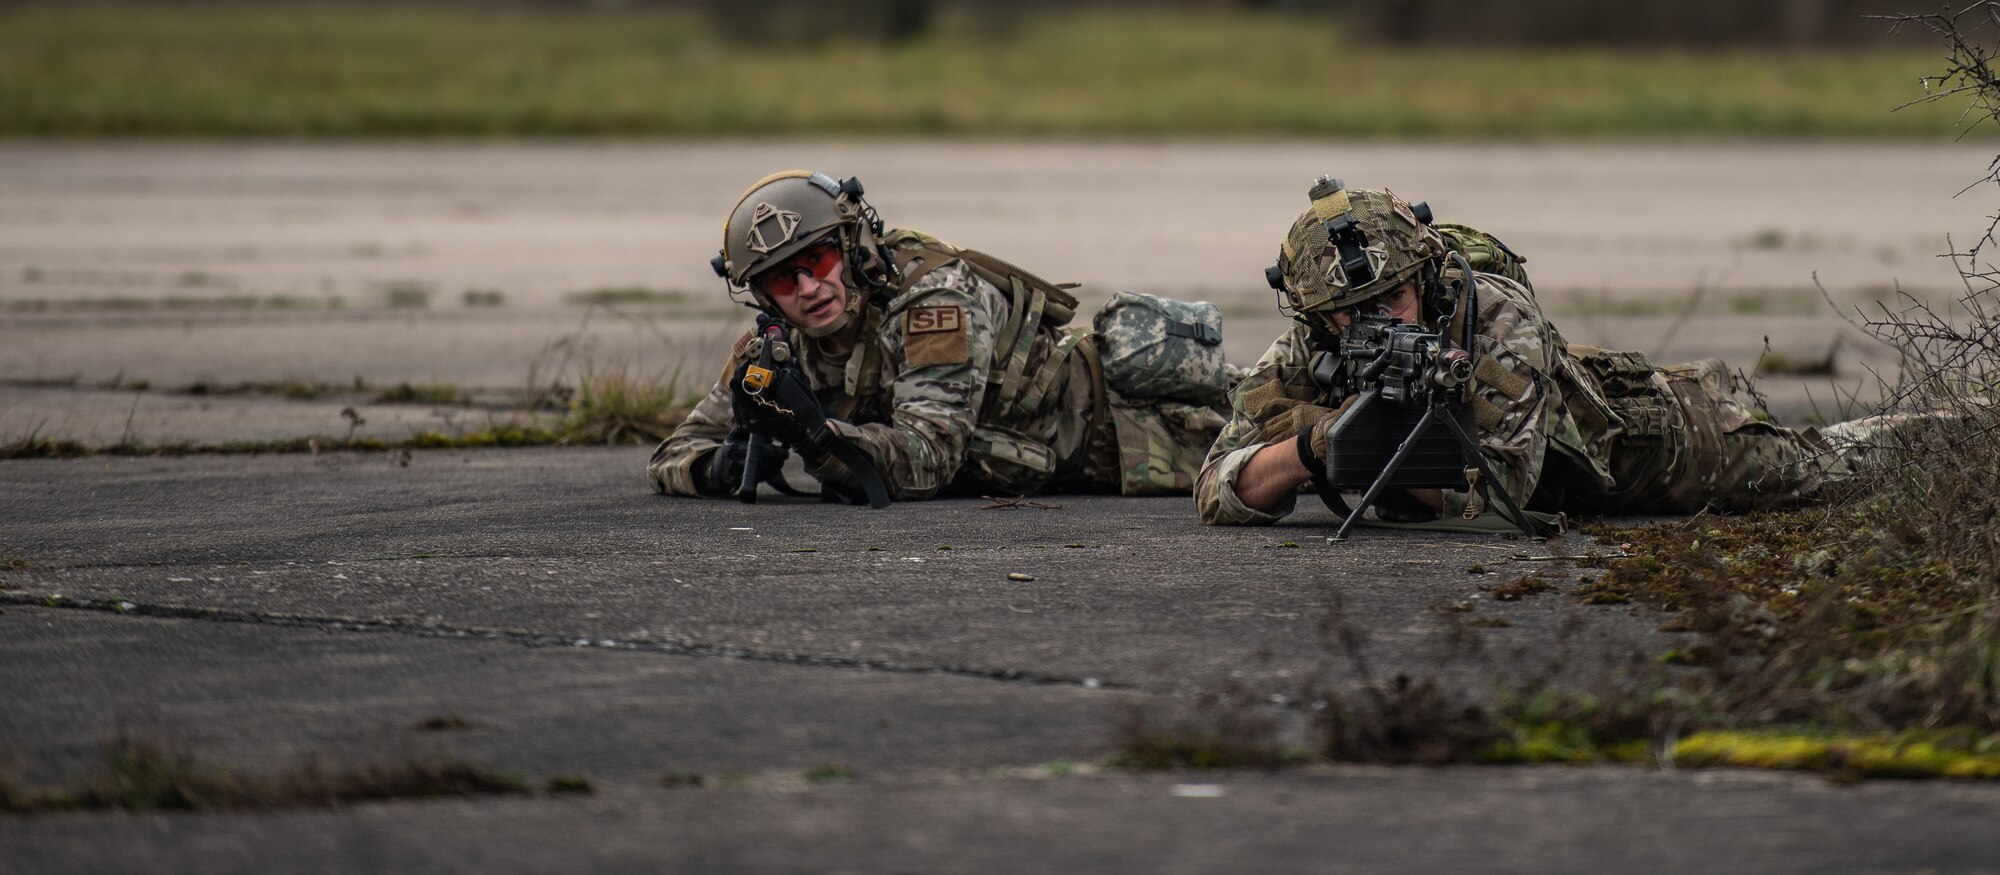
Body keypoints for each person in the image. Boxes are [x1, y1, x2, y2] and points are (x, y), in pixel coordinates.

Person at [1196, 177, 1882, 528]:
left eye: (1392, 302)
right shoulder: (1317, 340)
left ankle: (1967, 430)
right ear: (1319, 313)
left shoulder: (1492, 315)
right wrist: (1312, 448)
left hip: (1668, 441)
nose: (1372, 323)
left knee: (1836, 466)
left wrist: (1367, 450)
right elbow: (1215, 485)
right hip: (1588, 460)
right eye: (1350, 314)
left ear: (1423, 277)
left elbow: (1499, 503)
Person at [648, 170, 1227, 502]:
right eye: (781, 277)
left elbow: (928, 458)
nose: (807, 287)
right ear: (763, 295)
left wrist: (813, 435)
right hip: (1055, 459)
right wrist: (713, 470)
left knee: (1281, 436)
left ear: (851, 248)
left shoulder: (931, 299)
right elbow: (673, 451)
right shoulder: (776, 346)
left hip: (1133, 426)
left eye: (819, 259)